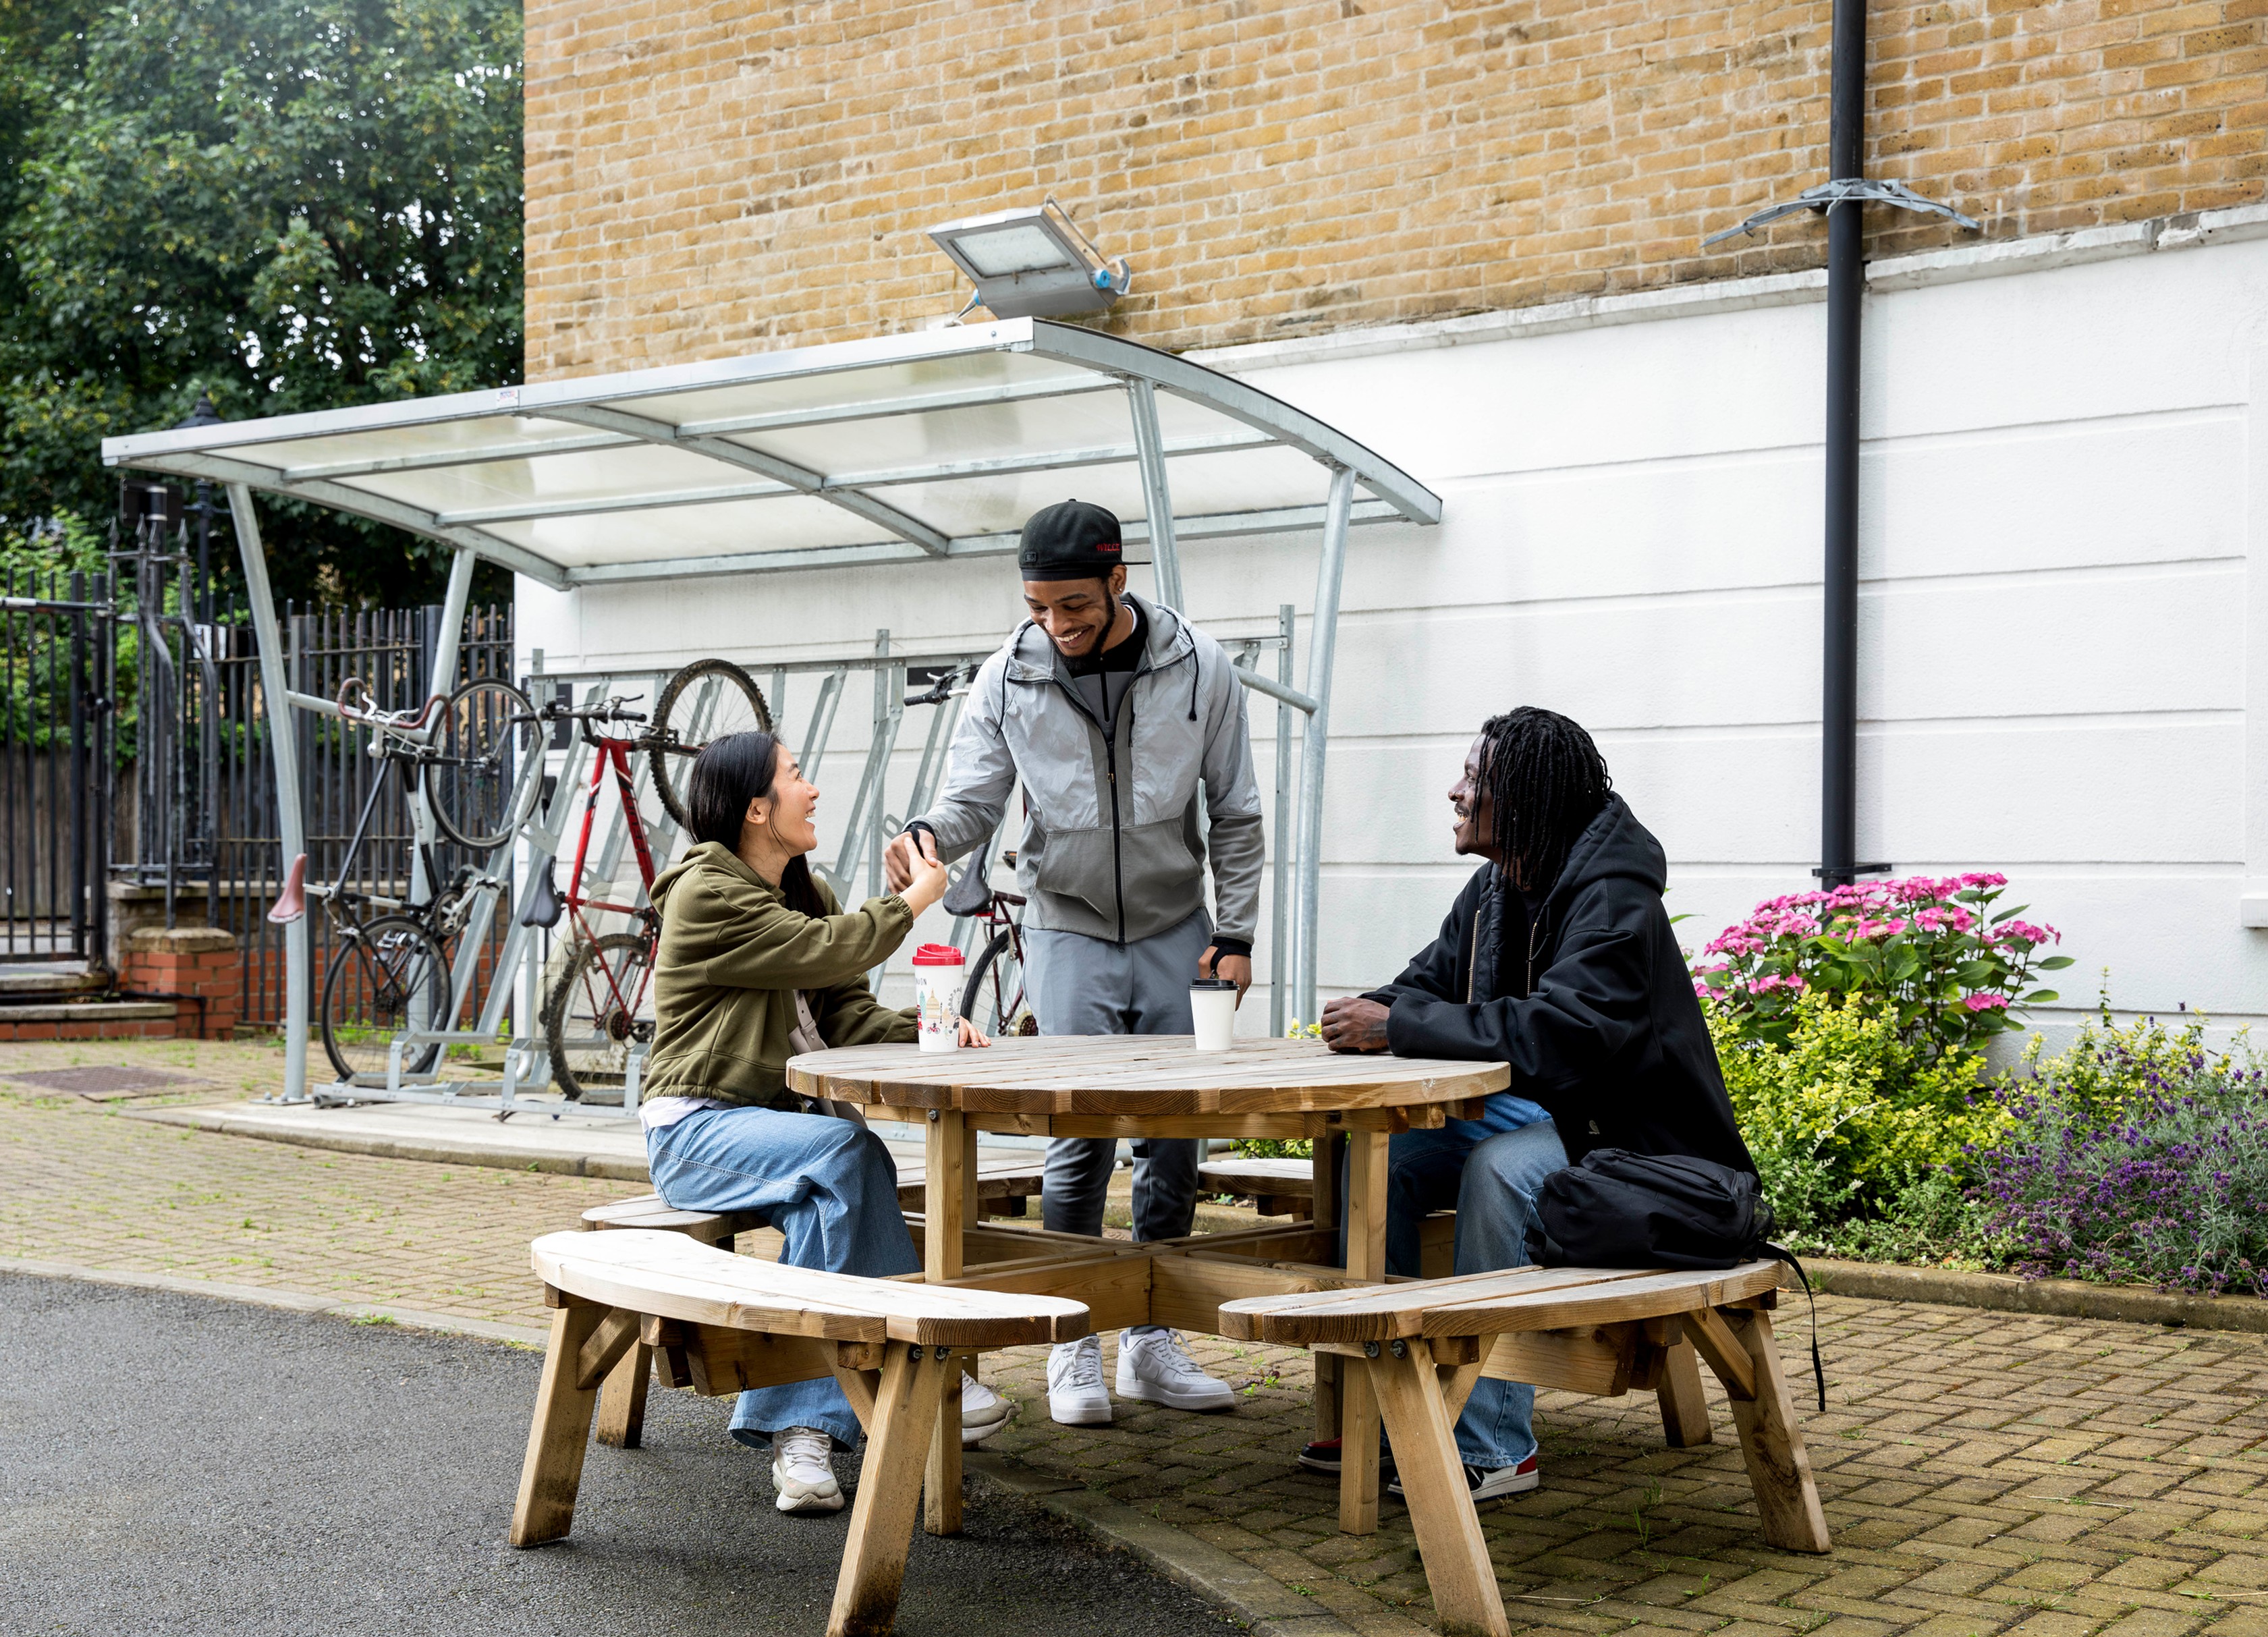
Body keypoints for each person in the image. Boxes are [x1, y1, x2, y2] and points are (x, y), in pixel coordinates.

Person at [885, 498, 1264, 1426]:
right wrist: (929, 833)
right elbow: (971, 798)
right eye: (1038, 607)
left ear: (1118, 581)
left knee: (1178, 1132)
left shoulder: (1200, 668)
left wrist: (1238, 933)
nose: (1057, 626)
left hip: (1181, 922)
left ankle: (1151, 1341)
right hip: (1066, 922)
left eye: (1074, 607)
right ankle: (1071, 1344)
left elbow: (1238, 814)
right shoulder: (1006, 678)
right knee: (1077, 1130)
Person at [1312, 706, 1752, 1502]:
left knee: (1503, 1171)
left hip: (1624, 1142)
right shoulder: (1495, 888)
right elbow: (1427, 984)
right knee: (1387, 1159)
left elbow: (1571, 1032)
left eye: (1475, 779)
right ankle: (1389, 1414)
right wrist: (1370, 1013)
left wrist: (1401, 1024)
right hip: (1548, 1116)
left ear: (1524, 799)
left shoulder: (1614, 899)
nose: (1455, 790)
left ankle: (1493, 1444)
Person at [641, 730, 1001, 1516]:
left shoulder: (808, 890)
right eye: (797, 776)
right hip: (697, 1130)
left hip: (782, 1134)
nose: (813, 790)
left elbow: (846, 1011)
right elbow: (819, 951)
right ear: (757, 808)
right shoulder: (708, 893)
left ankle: (803, 1430)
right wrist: (913, 899)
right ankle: (923, 1367)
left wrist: (931, 1027)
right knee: (846, 1152)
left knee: (836, 1181)